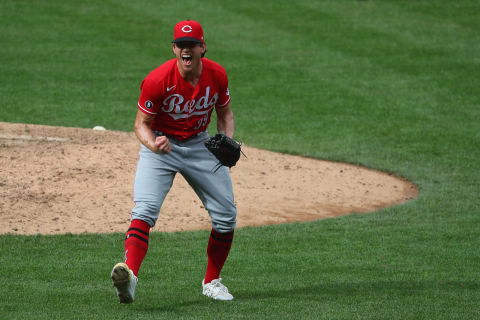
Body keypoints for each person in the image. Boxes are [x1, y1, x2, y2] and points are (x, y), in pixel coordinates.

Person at [110, 20, 237, 303]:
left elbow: (225, 113)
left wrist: (225, 140)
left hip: (199, 144)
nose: (186, 50)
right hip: (161, 148)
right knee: (144, 210)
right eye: (181, 45)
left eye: (191, 45)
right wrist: (153, 142)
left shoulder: (217, 74)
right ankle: (129, 277)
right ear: (174, 49)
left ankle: (212, 281)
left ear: (202, 47)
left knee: (227, 215)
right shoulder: (157, 80)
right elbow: (141, 124)